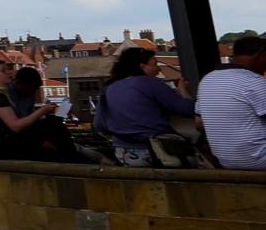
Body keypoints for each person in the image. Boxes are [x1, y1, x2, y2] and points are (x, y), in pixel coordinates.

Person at [96, 47, 200, 167]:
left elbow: (99, 125)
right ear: (142, 66)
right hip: (157, 151)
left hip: (122, 152)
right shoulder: (150, 83)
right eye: (155, 64)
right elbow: (187, 110)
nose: (159, 69)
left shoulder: (109, 88)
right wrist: (183, 90)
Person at [195, 33, 266, 169]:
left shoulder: (207, 79)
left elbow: (198, 123)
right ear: (261, 54)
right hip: (259, 159)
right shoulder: (254, 82)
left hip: (226, 161)